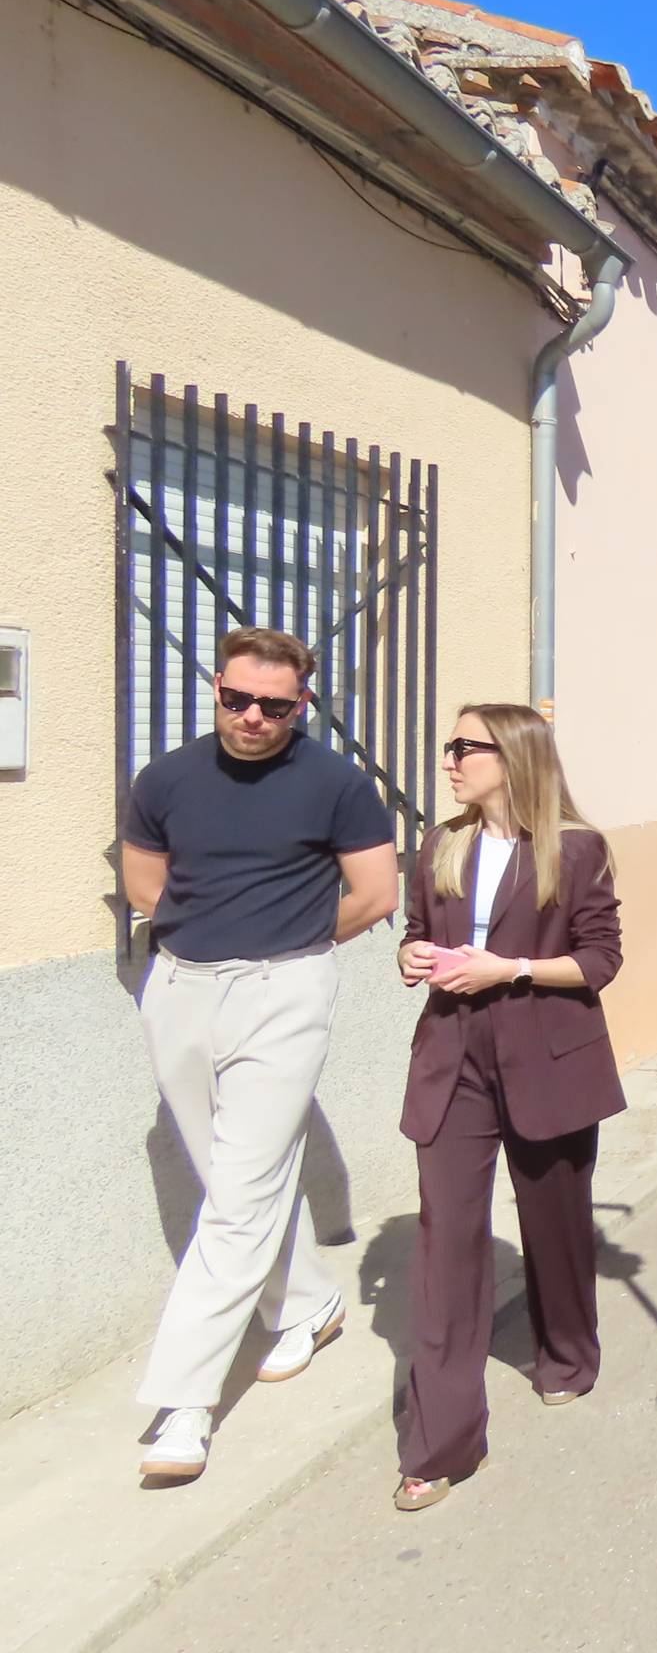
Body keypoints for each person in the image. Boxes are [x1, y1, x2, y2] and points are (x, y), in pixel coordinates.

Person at [121, 627, 398, 1482]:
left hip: (284, 991)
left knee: (239, 1197)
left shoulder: (338, 784)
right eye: (237, 697)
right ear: (215, 686)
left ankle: (184, 1406)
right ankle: (310, 1302)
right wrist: (202, 941)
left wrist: (294, 947)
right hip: (181, 987)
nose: (252, 716)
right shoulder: (164, 777)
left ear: (301, 705)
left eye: (274, 705)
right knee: (226, 1176)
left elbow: (376, 893)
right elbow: (144, 882)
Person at [392, 704, 626, 1510]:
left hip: (547, 1057)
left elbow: (600, 960)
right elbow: (417, 931)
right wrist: (410, 954)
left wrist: (512, 969)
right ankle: (444, 1442)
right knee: (445, 1243)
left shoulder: (577, 848)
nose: (449, 760)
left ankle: (566, 1352)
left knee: (554, 1224)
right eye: (448, 744)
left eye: (464, 747)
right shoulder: (441, 844)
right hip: (452, 1060)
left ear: (514, 756)